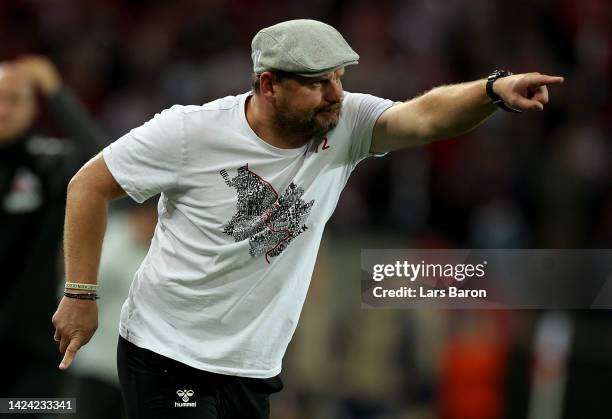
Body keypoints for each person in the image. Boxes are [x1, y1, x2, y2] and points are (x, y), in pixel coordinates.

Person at [52, 19, 563, 419]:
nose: (336, 94)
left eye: (340, 77)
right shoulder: (189, 132)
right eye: (319, 82)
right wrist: (79, 293)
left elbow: (425, 116)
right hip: (166, 354)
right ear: (269, 84)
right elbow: (88, 185)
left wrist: (493, 91)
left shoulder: (343, 125)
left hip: (253, 366)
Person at [0, 55, 106, 399]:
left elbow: (103, 160)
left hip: (35, 346)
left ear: (34, 109)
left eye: (14, 100)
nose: (3, 110)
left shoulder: (48, 161)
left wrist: (56, 91)